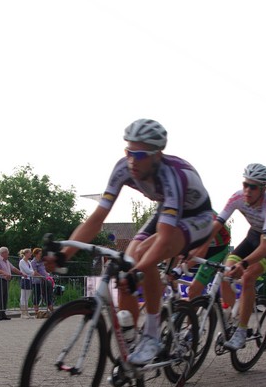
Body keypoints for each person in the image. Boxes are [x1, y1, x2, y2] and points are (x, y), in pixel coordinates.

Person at [49, 119, 214, 365]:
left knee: (145, 257)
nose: (132, 161)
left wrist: (138, 271)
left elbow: (164, 240)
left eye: (140, 155)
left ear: (157, 155)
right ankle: (133, 343)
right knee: (128, 261)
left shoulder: (173, 176)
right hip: (167, 210)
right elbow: (97, 218)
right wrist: (65, 254)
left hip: (197, 217)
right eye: (128, 152)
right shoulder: (123, 168)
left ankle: (152, 336)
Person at [209, 163, 266, 351]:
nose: (247, 190)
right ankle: (235, 315)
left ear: (263, 189)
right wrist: (195, 246)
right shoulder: (237, 197)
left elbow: (265, 246)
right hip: (252, 237)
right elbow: (217, 225)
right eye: (245, 184)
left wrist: (244, 264)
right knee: (226, 273)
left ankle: (242, 331)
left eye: (253, 187)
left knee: (248, 277)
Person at [184, 217, 231, 298]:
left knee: (193, 291)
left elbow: (201, 252)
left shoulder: (203, 220)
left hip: (217, 249)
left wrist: (181, 269)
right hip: (202, 243)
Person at [0, 246, 24, 320]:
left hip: (5, 280)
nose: (8, 255)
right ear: (3, 253)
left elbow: (13, 268)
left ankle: (3, 314)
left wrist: (21, 273)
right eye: (7, 253)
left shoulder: (7, 261)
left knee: (4, 297)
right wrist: (5, 273)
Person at [31, 247, 53, 318]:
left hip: (44, 281)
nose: (41, 255)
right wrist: (42, 277)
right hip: (37, 282)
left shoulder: (41, 262)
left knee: (47, 296)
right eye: (40, 254)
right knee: (37, 296)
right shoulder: (33, 262)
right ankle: (36, 312)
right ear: (36, 254)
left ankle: (52, 311)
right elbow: (35, 272)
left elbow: (44, 270)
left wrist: (47, 275)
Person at [18, 248, 35, 318]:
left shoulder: (29, 262)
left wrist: (32, 272)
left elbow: (31, 271)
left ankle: (26, 313)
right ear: (26, 254)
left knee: (27, 298)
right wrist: (33, 273)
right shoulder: (22, 262)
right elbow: (28, 271)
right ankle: (23, 313)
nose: (31, 254)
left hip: (29, 280)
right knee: (23, 297)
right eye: (30, 253)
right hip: (24, 280)